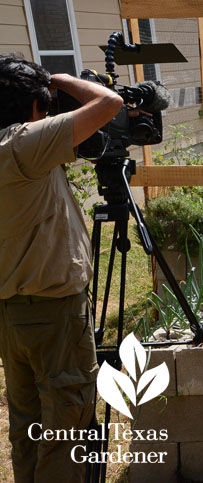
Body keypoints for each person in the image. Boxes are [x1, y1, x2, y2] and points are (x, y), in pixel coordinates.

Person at [0, 55, 122, 482]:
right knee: (67, 424)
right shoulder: (23, 145)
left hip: (12, 311)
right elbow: (109, 103)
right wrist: (62, 78)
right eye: (46, 104)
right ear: (36, 108)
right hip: (52, 310)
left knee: (27, 423)